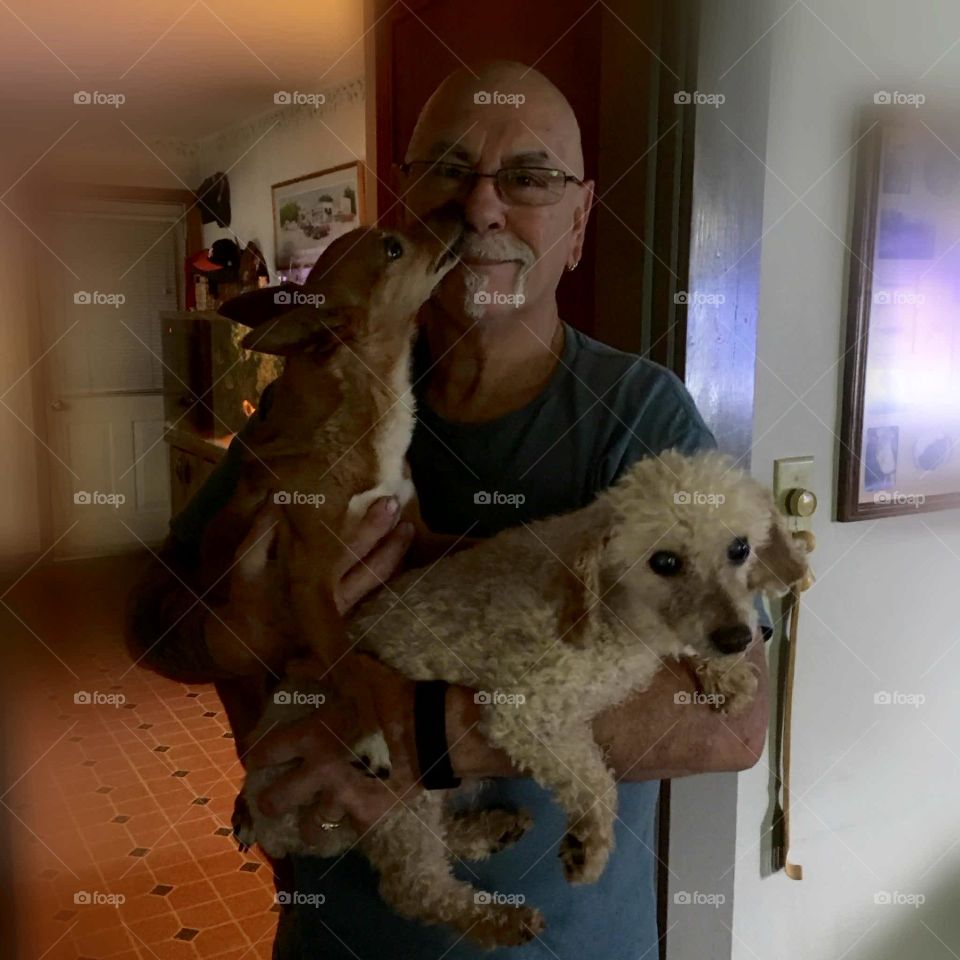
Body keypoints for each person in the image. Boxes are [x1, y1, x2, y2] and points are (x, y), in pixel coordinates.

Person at [127, 60, 772, 959]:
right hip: (339, 937)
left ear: (579, 222)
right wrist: (239, 632)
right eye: (447, 171)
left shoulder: (639, 415)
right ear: (403, 202)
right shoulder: (314, 397)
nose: (480, 208)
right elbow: (148, 621)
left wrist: (427, 730)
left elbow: (734, 723)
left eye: (529, 178)